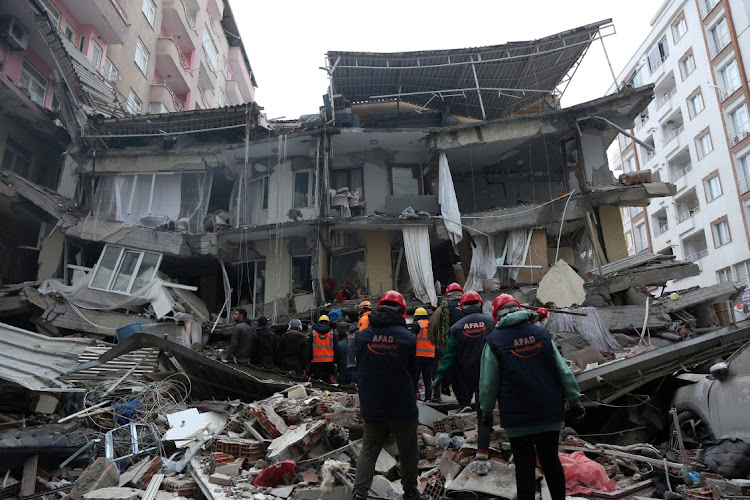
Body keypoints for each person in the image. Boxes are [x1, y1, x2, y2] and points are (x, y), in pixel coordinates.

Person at [476, 293, 585, 496]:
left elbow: (488, 383)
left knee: (524, 465)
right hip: (549, 412)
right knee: (551, 461)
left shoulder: (494, 341)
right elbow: (564, 371)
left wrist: (486, 412)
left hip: (517, 417)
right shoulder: (542, 335)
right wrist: (575, 400)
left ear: (497, 316)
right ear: (519, 309)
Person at [352, 290, 429, 500]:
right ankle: (411, 493)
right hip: (401, 403)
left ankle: (359, 493)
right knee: (408, 449)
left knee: (369, 447)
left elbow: (360, 368)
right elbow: (413, 373)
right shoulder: (407, 338)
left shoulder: (362, 336)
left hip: (372, 401)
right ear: (402, 310)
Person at [435, 291, 493, 410]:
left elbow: (450, 355)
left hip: (464, 374)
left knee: (460, 380)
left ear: (462, 308)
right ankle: (483, 416)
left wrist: (442, 376)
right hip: (486, 371)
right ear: (480, 305)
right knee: (482, 404)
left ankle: (464, 405)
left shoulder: (456, 327)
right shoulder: (491, 323)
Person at [427, 282, 464, 400]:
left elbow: (432, 325)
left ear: (448, 293)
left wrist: (436, 343)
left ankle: (442, 395)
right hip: (466, 346)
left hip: (447, 346)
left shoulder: (443, 307)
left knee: (443, 370)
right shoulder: (468, 304)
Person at [410, 307, 436, 401]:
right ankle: (428, 397)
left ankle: (415, 395)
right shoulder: (431, 325)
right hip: (430, 356)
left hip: (418, 355)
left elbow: (412, 340)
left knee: (415, 378)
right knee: (427, 378)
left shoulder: (417, 325)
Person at [309, 314, 335, 382]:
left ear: (319, 322)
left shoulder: (313, 333)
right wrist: (336, 360)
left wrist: (309, 359)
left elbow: (309, 347)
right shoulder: (332, 333)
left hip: (316, 361)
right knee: (327, 380)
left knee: (316, 380)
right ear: (328, 322)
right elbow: (336, 347)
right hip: (329, 361)